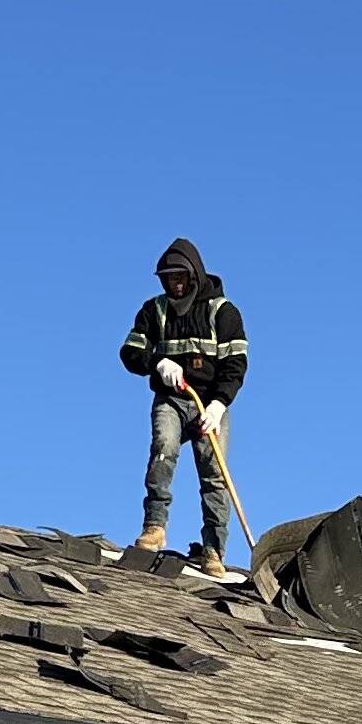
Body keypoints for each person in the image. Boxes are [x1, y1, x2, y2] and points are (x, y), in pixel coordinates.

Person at [118, 239, 247, 565]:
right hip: (172, 399)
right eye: (169, 278)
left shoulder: (223, 313)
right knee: (164, 447)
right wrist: (157, 362)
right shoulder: (154, 311)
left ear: (193, 276)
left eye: (180, 277)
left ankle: (214, 548)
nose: (175, 284)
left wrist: (219, 404)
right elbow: (130, 352)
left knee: (214, 473)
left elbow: (236, 365)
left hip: (209, 405)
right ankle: (154, 526)